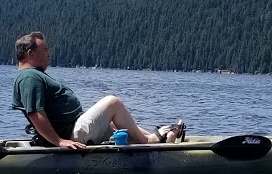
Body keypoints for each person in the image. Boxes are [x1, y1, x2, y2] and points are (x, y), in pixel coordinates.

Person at [12, 31, 185, 148]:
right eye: (44, 49)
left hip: (71, 128)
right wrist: (60, 142)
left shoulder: (32, 75)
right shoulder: (30, 77)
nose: (49, 53)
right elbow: (36, 114)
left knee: (116, 125)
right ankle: (151, 141)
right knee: (112, 102)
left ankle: (159, 139)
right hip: (70, 133)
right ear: (30, 53)